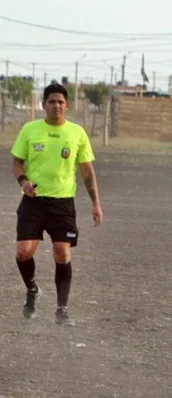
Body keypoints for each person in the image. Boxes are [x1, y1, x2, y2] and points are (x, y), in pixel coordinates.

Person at [12, 82, 103, 326]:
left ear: (67, 105)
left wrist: (96, 203)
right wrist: (23, 182)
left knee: (62, 253)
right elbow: (17, 161)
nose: (57, 106)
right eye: (51, 101)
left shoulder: (77, 133)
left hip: (62, 204)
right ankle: (32, 290)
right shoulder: (30, 130)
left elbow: (87, 171)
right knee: (23, 251)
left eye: (61, 102)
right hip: (33, 201)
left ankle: (62, 310)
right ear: (44, 105)